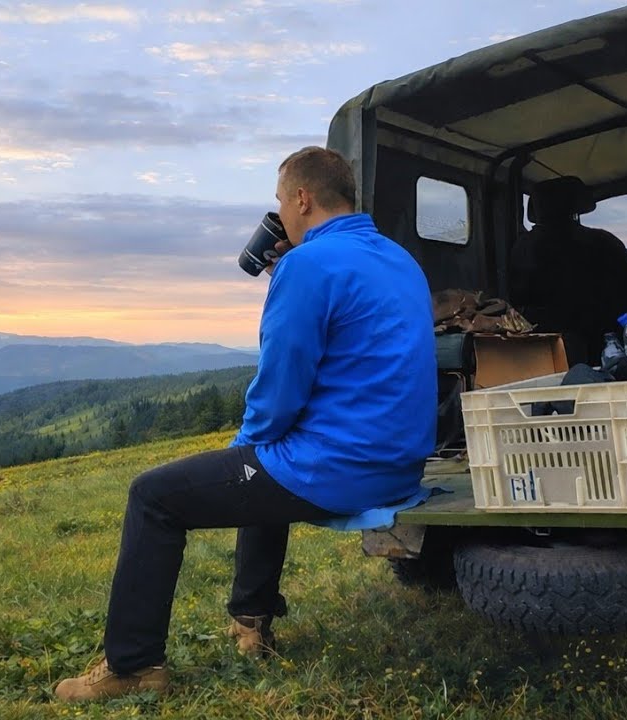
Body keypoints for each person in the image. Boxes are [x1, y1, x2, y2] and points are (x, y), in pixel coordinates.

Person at [53, 146, 437, 703]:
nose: (279, 213)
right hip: (400, 466)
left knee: (156, 495)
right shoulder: (400, 260)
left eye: (281, 201)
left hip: (344, 470)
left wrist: (242, 450)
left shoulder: (309, 265)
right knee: (265, 461)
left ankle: (133, 665)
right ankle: (252, 624)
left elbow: (280, 386)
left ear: (302, 198)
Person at [509, 176, 627, 365]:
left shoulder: (521, 247)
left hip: (541, 354)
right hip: (605, 349)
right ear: (577, 204)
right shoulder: (604, 242)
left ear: (536, 209)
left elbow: (516, 300)